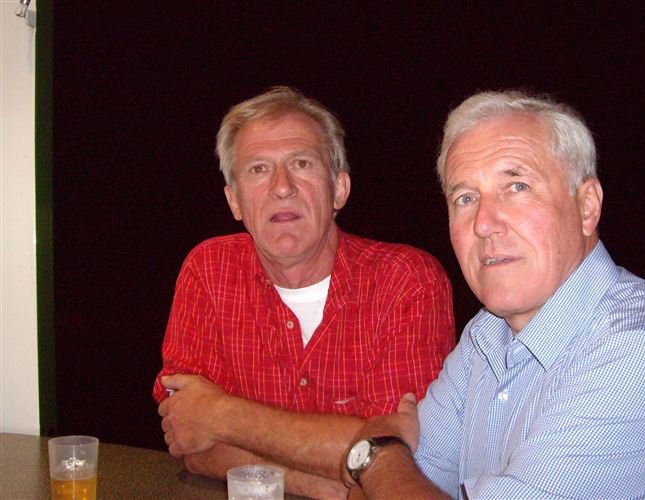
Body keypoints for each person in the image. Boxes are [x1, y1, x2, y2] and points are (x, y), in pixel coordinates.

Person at [341, 90, 645, 499]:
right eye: (465, 198)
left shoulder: (642, 351)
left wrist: (378, 453)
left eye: (517, 186)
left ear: (587, 207)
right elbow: (392, 488)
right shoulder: (485, 336)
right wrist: (388, 468)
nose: (484, 223)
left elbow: (389, 478)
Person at [154, 86, 456, 499]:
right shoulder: (208, 271)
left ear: (339, 189)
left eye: (301, 163)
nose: (282, 187)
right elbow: (188, 439)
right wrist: (326, 484)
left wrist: (221, 414)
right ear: (234, 200)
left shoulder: (406, 280)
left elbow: (401, 457)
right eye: (258, 169)